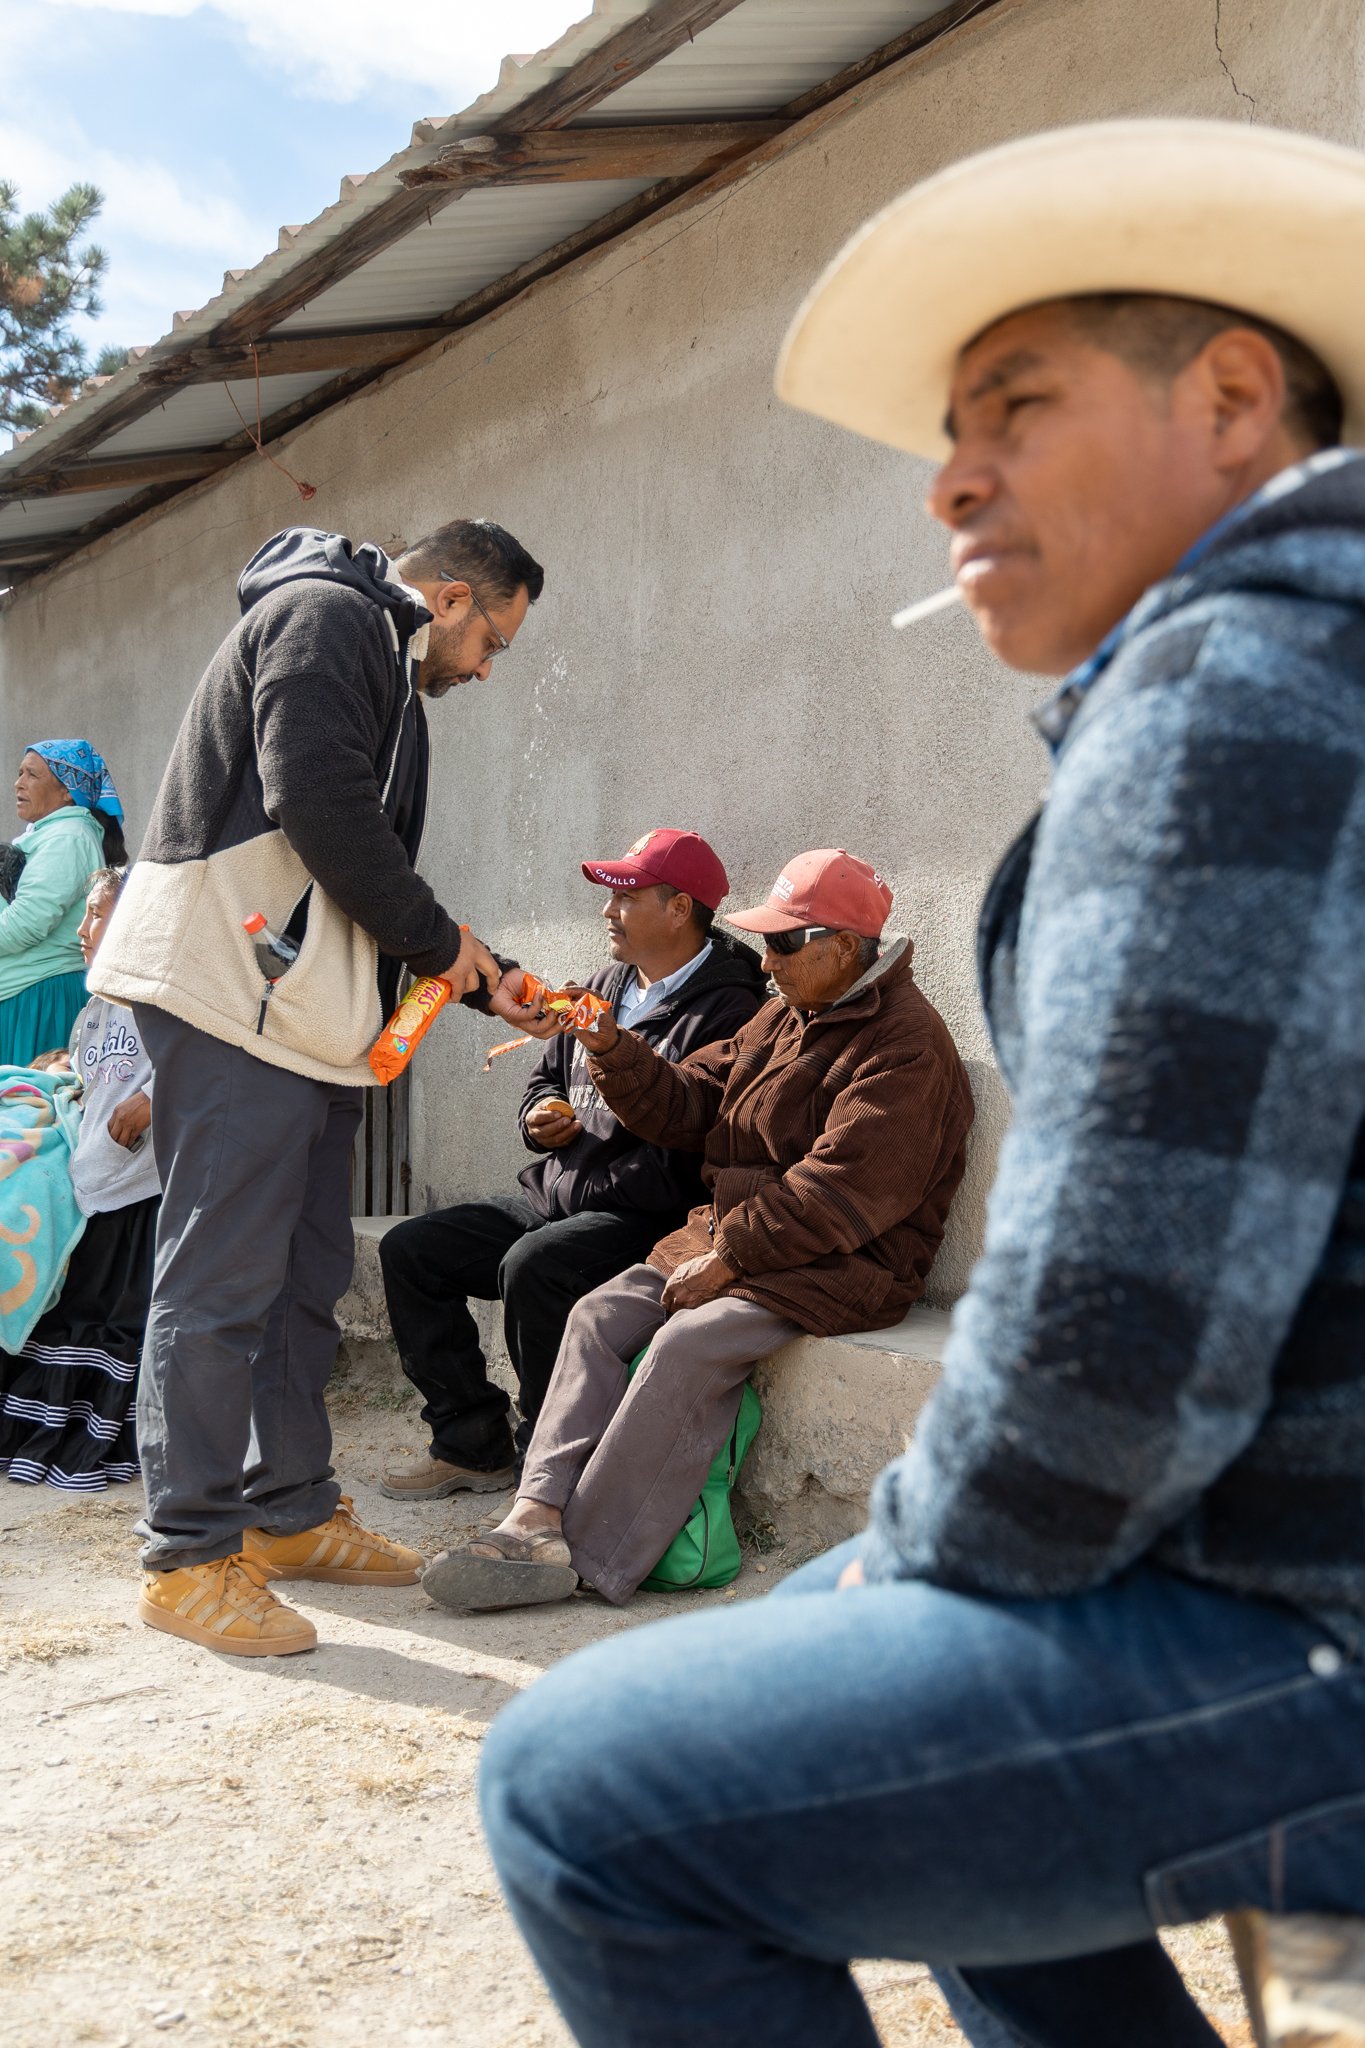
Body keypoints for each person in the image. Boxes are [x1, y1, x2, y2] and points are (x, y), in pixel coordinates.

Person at [477, 122, 1365, 2047]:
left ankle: (582, 1547)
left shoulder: (1228, 709)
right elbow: (719, 1131)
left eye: (1017, 410)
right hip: (1272, 1527)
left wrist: (910, 1536)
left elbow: (1109, 1344)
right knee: (918, 1778)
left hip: (1306, 1596)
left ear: (1229, 398)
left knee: (582, 1793)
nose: (950, 477)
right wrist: (624, 1097)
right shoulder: (1294, 680)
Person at [89, 518, 554, 1659]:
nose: (489, 666)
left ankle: (288, 1513)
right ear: (451, 596)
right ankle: (190, 1555)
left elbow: (366, 864)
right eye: (495, 636)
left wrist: (477, 971)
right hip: (228, 991)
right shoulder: (329, 617)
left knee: (301, 1277)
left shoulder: (391, 673)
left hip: (302, 1018)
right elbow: (319, 807)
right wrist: (443, 941)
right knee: (220, 1280)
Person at [425, 848, 972, 1613]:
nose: (766, 959)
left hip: (844, 1260)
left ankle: (586, 1554)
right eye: (766, 940)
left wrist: (729, 1255)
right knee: (595, 1316)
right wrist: (610, 1046)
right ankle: (534, 1512)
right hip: (738, 1236)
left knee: (686, 1343)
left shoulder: (905, 1046)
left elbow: (842, 1192)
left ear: (844, 949)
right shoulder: (785, 1012)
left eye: (783, 942)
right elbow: (688, 1103)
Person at [379, 829, 768, 1498]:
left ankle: (550, 1461)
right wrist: (542, 1116)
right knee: (413, 1250)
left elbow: (692, 1115)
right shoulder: (603, 982)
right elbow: (546, 1075)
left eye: (626, 897)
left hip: (645, 1211)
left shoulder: (734, 1008)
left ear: (679, 909)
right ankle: (470, 1442)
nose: (606, 912)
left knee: (535, 1268)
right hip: (561, 1194)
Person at [0, 867, 158, 1490]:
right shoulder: (97, 1007)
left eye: (98, 914)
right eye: (87, 914)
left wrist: (156, 1098)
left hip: (141, 1196)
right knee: (74, 1315)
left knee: (115, 1322)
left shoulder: (164, 1000)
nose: (84, 929)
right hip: (91, 1189)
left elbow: (208, 1061)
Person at [0, 741, 126, 1067]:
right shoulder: (50, 834)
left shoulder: (68, 836)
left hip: (38, 996)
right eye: (19, 773)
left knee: (31, 1105)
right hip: (28, 992)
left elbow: (25, 924)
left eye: (32, 775)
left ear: (67, 792)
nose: (19, 783)